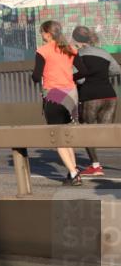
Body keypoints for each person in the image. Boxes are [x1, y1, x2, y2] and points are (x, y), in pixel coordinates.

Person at [32, 20, 87, 185]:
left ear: (48, 33)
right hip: (71, 95)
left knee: (58, 136)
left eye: (42, 32)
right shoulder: (71, 49)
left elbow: (36, 76)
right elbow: (84, 71)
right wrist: (70, 78)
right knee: (67, 135)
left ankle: (74, 173)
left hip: (54, 95)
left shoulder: (43, 51)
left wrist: (37, 77)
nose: (41, 35)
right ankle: (73, 170)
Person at [73, 25, 120, 177]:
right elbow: (117, 70)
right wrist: (102, 75)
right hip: (109, 96)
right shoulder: (104, 52)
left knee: (88, 131)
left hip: (90, 96)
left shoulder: (77, 55)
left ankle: (95, 166)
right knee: (110, 134)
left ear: (76, 39)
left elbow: (80, 80)